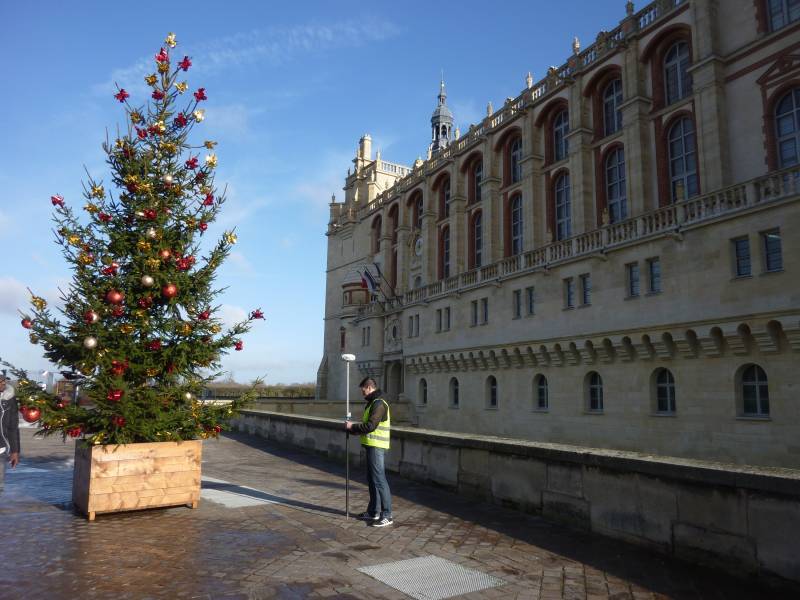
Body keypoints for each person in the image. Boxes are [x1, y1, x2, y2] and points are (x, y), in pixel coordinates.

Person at [345, 377, 392, 527]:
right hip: (371, 445)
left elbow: (371, 426)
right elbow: (366, 427)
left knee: (379, 480)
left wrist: (353, 427)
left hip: (376, 446)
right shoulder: (372, 403)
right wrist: (352, 429)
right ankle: (373, 511)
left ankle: (387, 515)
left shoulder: (379, 404)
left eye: (363, 390)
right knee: (372, 479)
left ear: (369, 387)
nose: (362, 393)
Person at [0, 375, 21, 491]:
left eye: (4, 380)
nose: (3, 383)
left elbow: (13, 427)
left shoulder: (9, 399)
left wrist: (15, 451)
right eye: (0, 381)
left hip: (1, 449)